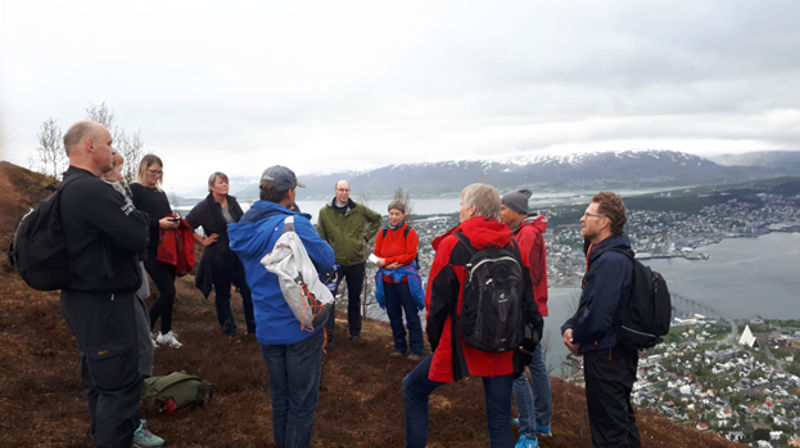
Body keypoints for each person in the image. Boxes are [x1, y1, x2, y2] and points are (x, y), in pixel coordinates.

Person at [402, 183, 536, 448]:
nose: (459, 209)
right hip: (503, 344)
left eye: (461, 204)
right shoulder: (512, 244)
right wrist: (527, 344)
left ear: (472, 208)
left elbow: (436, 304)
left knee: (413, 388)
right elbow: (526, 300)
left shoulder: (453, 244)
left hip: (460, 344)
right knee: (499, 421)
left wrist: (438, 343)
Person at [229, 165, 335, 448]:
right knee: (302, 403)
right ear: (290, 192)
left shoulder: (244, 229)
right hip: (299, 325)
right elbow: (326, 259)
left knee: (281, 400)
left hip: (266, 326)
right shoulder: (294, 224)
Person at [58, 121, 150, 447]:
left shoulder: (68, 187)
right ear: (90, 146)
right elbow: (139, 234)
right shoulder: (92, 191)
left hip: (84, 300)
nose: (113, 149)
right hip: (105, 303)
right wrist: (139, 220)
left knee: (98, 382)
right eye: (109, 143)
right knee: (119, 389)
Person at [561, 191, 641, 448]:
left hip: (608, 356)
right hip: (610, 352)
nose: (582, 219)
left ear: (604, 221)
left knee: (610, 432)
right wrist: (570, 325)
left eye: (588, 215)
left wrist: (577, 339)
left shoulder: (611, 261)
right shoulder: (607, 255)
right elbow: (591, 306)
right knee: (619, 424)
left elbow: (599, 317)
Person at [100, 153, 165, 448]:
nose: (120, 174)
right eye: (115, 168)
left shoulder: (119, 192)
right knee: (134, 356)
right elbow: (134, 233)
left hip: (129, 283)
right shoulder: (103, 195)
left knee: (132, 355)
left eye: (122, 168)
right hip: (116, 289)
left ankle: (120, 427)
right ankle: (131, 427)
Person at [500, 189, 552, 448]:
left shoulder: (527, 234)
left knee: (518, 366)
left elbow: (519, 273)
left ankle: (532, 429)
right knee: (537, 364)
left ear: (516, 211)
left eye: (503, 208)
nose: (500, 212)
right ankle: (541, 420)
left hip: (525, 310)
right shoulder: (525, 231)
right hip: (532, 307)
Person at [185, 171, 255, 339]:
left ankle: (253, 329)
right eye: (220, 182)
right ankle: (229, 330)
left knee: (247, 290)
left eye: (226, 182)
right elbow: (186, 225)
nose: (225, 185)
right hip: (218, 255)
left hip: (237, 253)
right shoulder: (204, 206)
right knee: (223, 293)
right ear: (211, 187)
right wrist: (203, 241)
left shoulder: (232, 202)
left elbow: (243, 223)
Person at [316, 180, 381, 342]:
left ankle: (355, 333)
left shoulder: (358, 209)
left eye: (346, 190)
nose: (344, 193)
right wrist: (326, 254)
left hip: (356, 261)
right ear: (335, 191)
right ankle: (328, 335)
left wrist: (364, 237)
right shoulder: (325, 212)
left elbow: (377, 219)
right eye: (340, 190)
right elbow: (321, 236)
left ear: (349, 192)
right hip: (334, 263)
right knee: (328, 298)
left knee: (354, 298)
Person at [131, 154, 182, 348]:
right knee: (168, 292)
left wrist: (173, 221)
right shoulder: (135, 190)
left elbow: (165, 214)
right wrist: (157, 224)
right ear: (144, 169)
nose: (157, 175)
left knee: (169, 292)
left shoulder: (160, 193)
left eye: (160, 172)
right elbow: (135, 219)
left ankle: (166, 333)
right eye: (153, 171)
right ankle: (145, 332)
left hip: (167, 247)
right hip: (149, 248)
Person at [373, 200, 424, 360]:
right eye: (391, 213)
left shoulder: (410, 232)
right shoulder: (383, 233)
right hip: (388, 280)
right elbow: (376, 254)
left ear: (403, 215)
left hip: (405, 281)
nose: (394, 217)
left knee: (411, 314)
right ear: (388, 214)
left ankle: (417, 349)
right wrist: (389, 264)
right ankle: (399, 346)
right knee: (394, 314)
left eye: (397, 214)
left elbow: (409, 256)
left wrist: (387, 262)